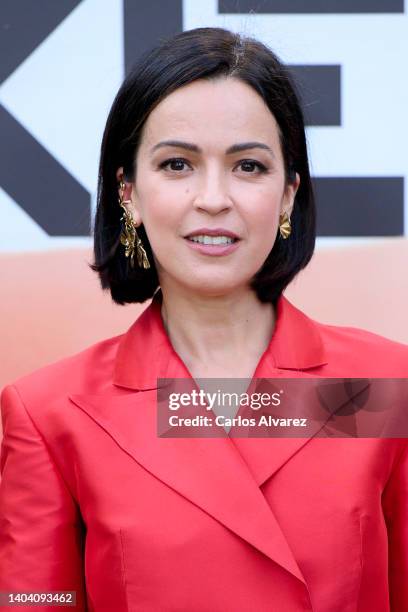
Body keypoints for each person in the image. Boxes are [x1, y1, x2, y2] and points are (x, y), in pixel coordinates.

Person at [0, 26, 407, 612]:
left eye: (248, 166)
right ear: (128, 193)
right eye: (176, 165)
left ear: (288, 194)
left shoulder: (383, 385)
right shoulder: (51, 415)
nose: (214, 197)